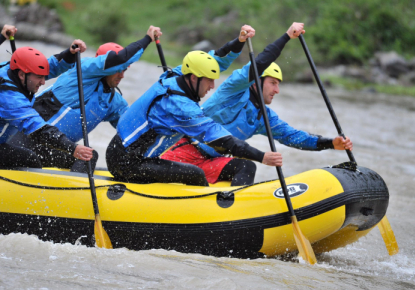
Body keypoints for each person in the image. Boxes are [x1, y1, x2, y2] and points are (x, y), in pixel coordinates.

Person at [161, 22, 353, 186]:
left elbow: (294, 137)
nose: (277, 90)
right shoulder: (233, 89)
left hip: (211, 161)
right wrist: (286, 36)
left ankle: (234, 218)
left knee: (245, 166)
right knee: (241, 165)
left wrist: (330, 143)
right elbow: (259, 63)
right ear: (256, 81)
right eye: (273, 83)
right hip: (182, 152)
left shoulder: (263, 117)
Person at [106, 25, 283, 186]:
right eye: (209, 81)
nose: (213, 86)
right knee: (194, 173)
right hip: (128, 163)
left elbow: (217, 58)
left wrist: (239, 42)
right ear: (193, 78)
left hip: (121, 150)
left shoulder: (175, 75)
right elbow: (220, 138)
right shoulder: (181, 107)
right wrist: (262, 156)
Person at [9, 25, 162, 173]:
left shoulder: (114, 102)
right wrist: (147, 39)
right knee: (31, 157)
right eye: (117, 70)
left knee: (88, 157)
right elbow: (120, 59)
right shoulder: (83, 71)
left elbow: (133, 129)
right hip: (26, 137)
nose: (122, 75)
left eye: (124, 70)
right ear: (105, 67)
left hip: (54, 147)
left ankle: (72, 196)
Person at [0, 38, 93, 169]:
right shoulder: (10, 99)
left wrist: (69, 54)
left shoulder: (10, 69)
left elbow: (48, 67)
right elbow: (39, 129)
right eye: (39, 77)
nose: (44, 82)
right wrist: (73, 148)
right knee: (30, 160)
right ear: (21, 74)